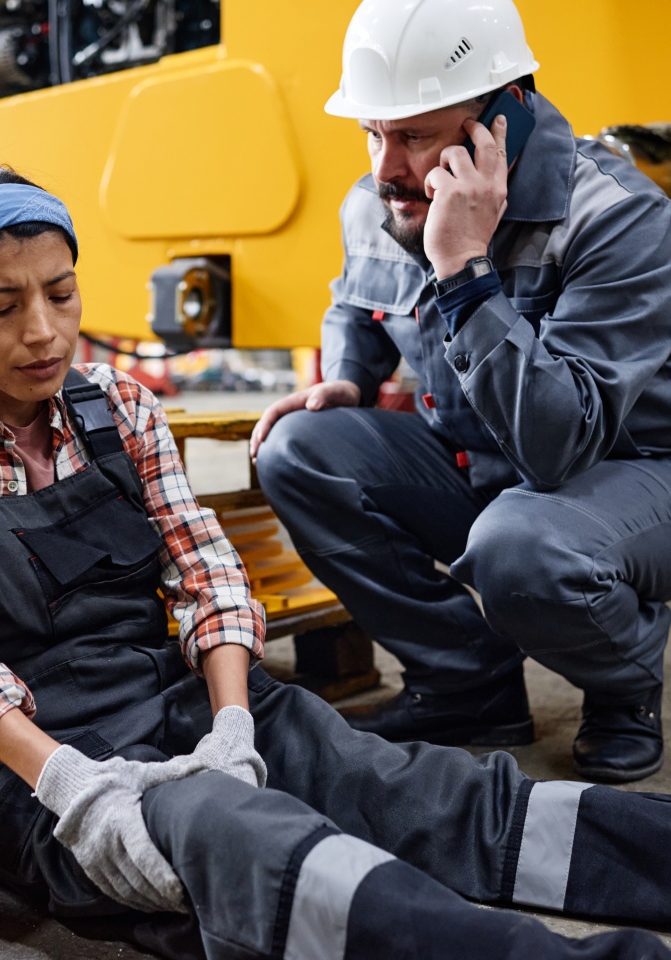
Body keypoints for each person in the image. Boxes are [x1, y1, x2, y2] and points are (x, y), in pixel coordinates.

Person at [0, 165, 671, 960]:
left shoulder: (116, 405)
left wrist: (233, 726)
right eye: (1, 307)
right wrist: (73, 786)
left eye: (61, 292)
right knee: (251, 843)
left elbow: (205, 570)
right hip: (32, 761)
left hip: (177, 695)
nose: (43, 331)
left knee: (396, 785)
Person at [251, 0, 671, 785]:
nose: (384, 168)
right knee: (298, 449)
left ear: (502, 120)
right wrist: (350, 374)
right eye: (372, 133)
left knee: (524, 545)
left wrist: (465, 272)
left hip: (633, 478)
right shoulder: (380, 199)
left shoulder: (617, 220)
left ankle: (624, 684)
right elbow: (355, 301)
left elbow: (560, 444)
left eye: (413, 135)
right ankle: (468, 683)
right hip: (483, 463)